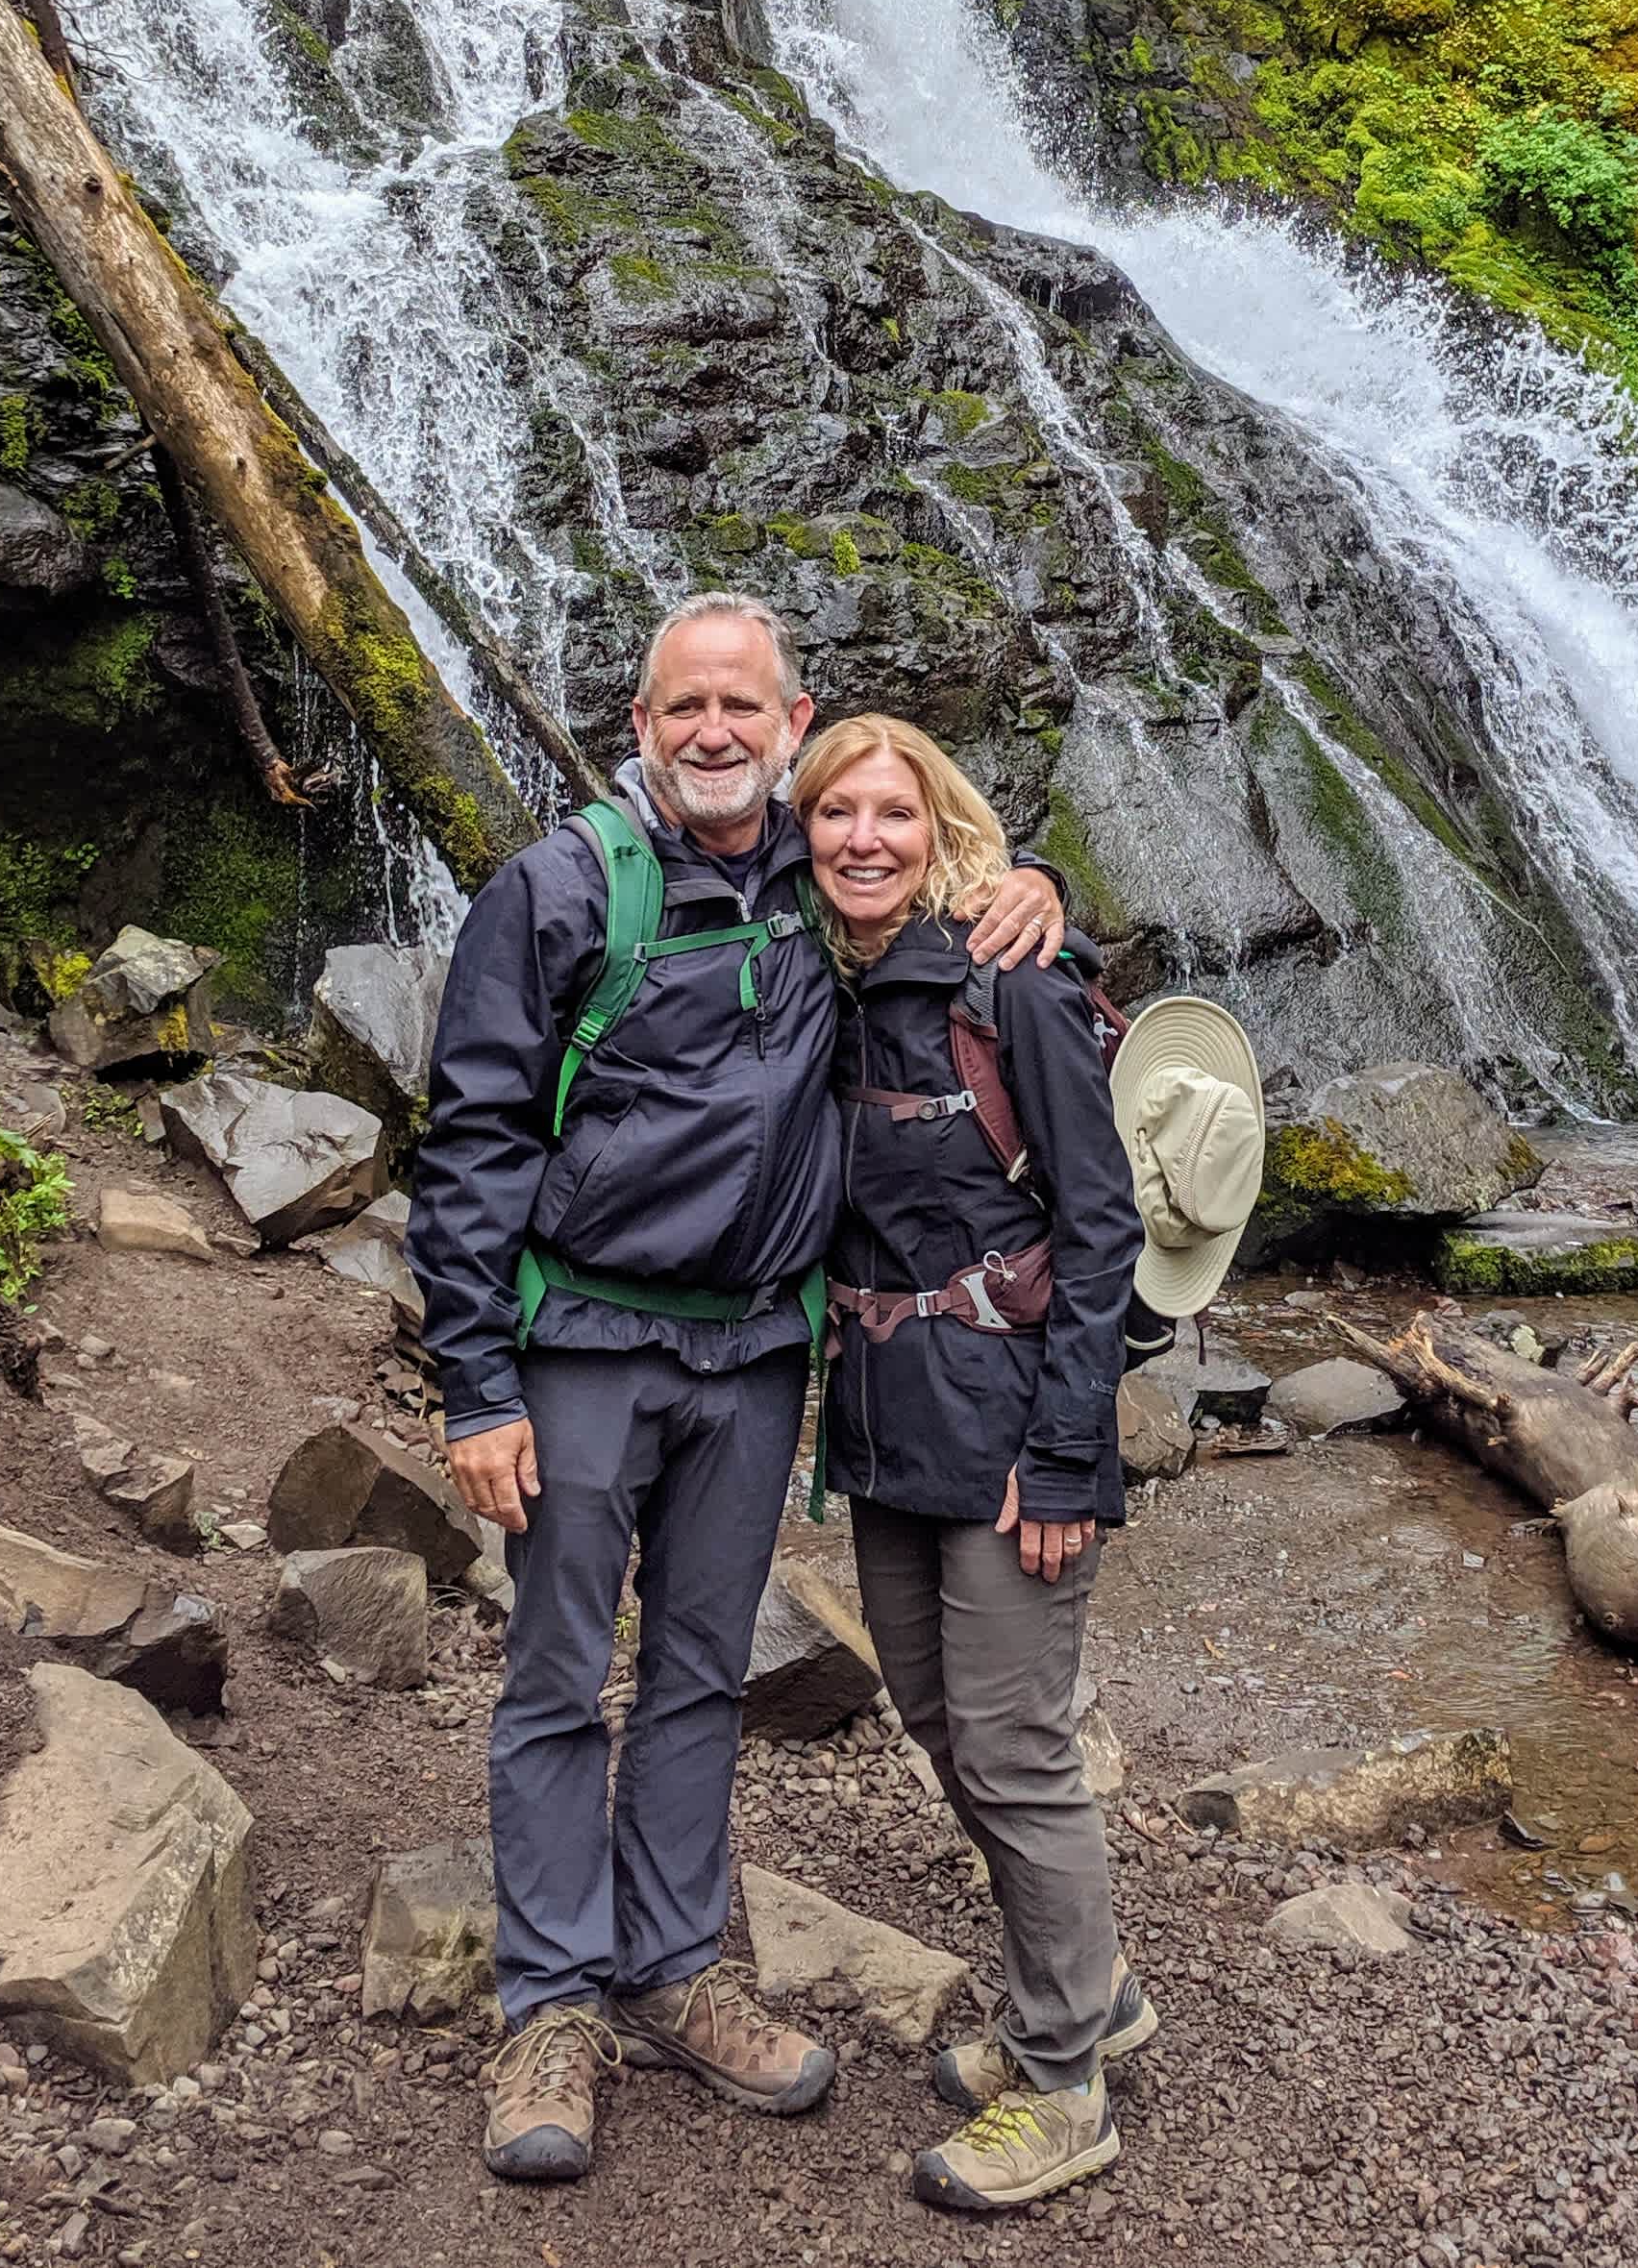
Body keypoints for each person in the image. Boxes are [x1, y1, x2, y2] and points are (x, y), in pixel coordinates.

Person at [405, 596, 1066, 2187]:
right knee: (561, 1670)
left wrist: (1051, 896)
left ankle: (676, 1965)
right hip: (585, 1344)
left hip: (759, 1351)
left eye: (742, 708)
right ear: (641, 725)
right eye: (682, 707)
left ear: (792, 719)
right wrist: (475, 1379)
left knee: (704, 1670)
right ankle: (552, 1999)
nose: (714, 732)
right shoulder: (563, 884)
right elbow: (474, 1140)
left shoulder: (826, 880)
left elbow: (986, 948)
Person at [793, 713, 1258, 2215]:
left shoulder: (1020, 990)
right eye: (837, 816)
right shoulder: (831, 990)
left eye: (894, 814)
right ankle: (1095, 1991)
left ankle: (1065, 2081)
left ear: (946, 831)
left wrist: (1066, 1459)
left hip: (1008, 1437)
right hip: (886, 1432)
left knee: (1016, 1749)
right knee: (940, 1720)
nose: (865, 839)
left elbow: (1106, 1231)